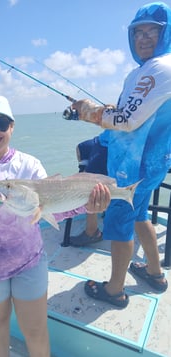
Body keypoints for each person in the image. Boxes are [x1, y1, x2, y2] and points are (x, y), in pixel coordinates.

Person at [0, 93, 111, 357]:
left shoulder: (30, 165)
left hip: (28, 260)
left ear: (11, 126)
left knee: (35, 330)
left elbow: (50, 209)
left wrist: (87, 205)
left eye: (1, 123)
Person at [70, 2, 171, 308]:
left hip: (133, 166)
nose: (143, 38)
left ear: (165, 34)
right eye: (138, 32)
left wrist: (89, 112)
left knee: (120, 223)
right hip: (149, 163)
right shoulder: (148, 70)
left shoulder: (159, 69)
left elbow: (126, 121)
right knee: (139, 215)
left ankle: (114, 290)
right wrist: (108, 112)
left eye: (152, 31)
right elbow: (133, 113)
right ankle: (155, 273)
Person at [70, 130, 110, 247]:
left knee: (89, 186)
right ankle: (85, 169)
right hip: (104, 138)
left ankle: (92, 232)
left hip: (114, 142)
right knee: (82, 147)